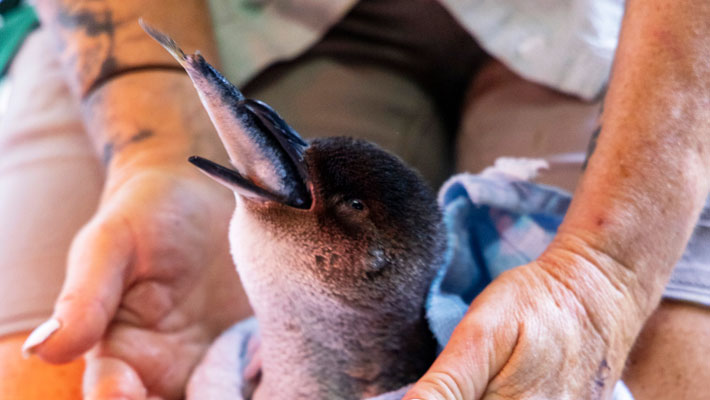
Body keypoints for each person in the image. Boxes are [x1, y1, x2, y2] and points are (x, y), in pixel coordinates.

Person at [0, 0, 708, 399]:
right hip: (230, 18)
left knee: (660, 377)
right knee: (41, 382)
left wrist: (607, 271)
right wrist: (151, 154)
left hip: (624, 41)